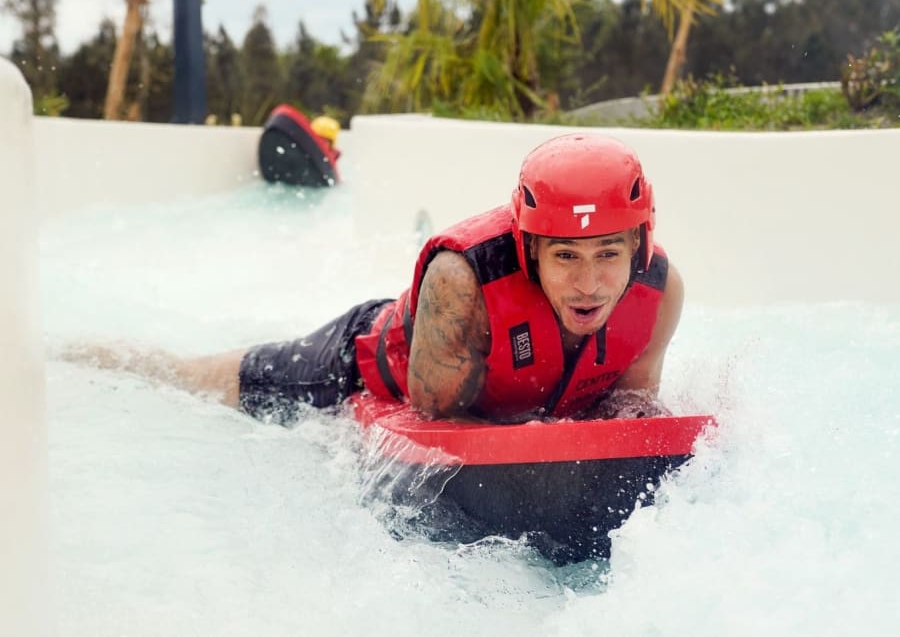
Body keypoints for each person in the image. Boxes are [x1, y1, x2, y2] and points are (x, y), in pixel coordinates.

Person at [68, 133, 683, 425]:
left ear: (638, 243)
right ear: (530, 250)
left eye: (607, 254)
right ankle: (98, 357)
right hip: (353, 364)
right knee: (195, 382)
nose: (590, 285)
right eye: (566, 258)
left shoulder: (661, 294)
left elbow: (628, 403)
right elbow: (435, 417)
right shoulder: (462, 282)